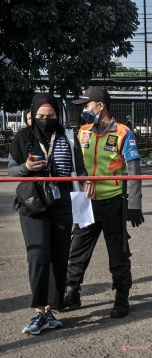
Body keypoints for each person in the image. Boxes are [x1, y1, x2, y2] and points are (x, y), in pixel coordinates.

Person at [8, 93, 92, 334]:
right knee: (38, 255)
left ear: (58, 114)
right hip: (33, 201)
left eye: (51, 115)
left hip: (62, 200)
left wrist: (86, 181)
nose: (45, 120)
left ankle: (50, 309)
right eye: (40, 116)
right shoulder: (23, 137)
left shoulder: (67, 136)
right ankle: (38, 311)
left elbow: (79, 166)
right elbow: (12, 170)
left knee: (59, 256)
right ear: (33, 115)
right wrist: (27, 167)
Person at [63, 86, 144, 319]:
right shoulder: (83, 132)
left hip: (113, 202)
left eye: (87, 106)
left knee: (118, 253)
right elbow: (75, 164)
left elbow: (134, 170)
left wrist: (135, 204)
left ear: (100, 106)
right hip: (85, 202)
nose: (84, 111)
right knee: (76, 249)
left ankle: (121, 296)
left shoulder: (123, 132)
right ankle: (71, 291)